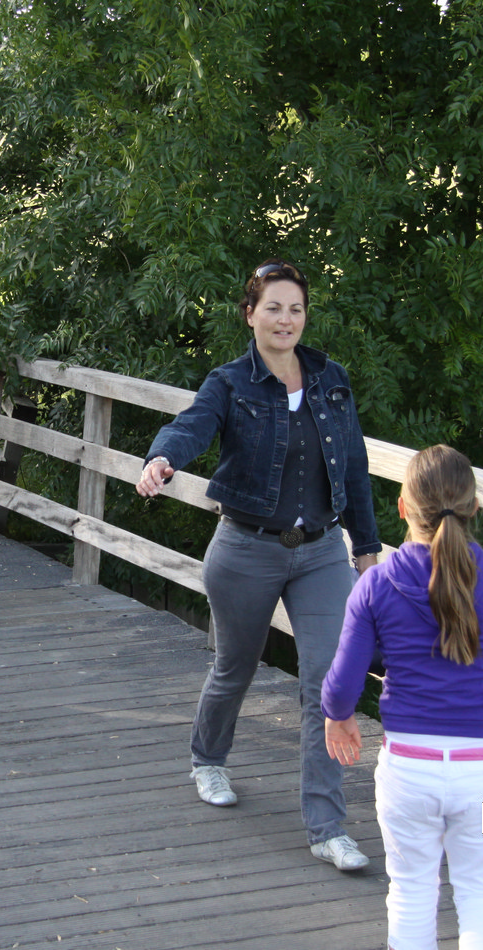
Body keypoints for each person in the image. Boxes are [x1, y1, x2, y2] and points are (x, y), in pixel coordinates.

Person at [136, 259, 381, 870]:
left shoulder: (331, 379)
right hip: (246, 549)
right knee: (235, 667)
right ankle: (207, 760)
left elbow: (353, 466)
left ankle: (327, 827)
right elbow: (192, 426)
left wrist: (367, 548)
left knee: (328, 683)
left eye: (296, 309)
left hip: (321, 551)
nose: (285, 320)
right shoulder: (229, 383)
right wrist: (163, 459)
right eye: (273, 308)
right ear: (250, 314)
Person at [322, 445, 483, 949]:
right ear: (474, 507)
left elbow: (343, 681)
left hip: (409, 768)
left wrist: (337, 714)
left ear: (403, 508)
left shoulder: (377, 583)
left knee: (411, 893)